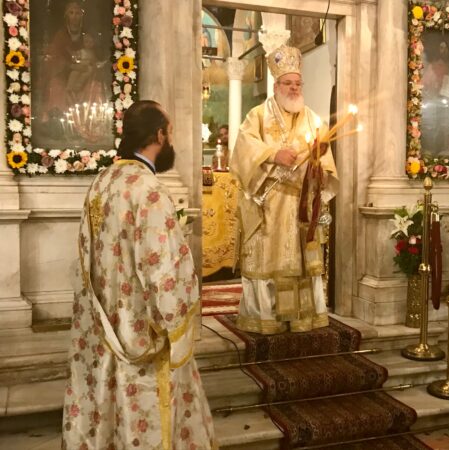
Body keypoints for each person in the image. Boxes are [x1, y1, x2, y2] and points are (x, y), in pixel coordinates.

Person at [63, 100, 216, 449]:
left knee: (110, 403)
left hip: (105, 324)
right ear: (159, 135)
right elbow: (164, 269)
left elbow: (85, 253)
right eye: (170, 133)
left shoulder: (103, 181)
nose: (171, 140)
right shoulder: (147, 189)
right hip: (141, 329)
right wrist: (176, 322)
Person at [230, 45, 338, 334]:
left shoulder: (313, 119)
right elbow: (243, 151)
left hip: (301, 206)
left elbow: (325, 162)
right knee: (268, 260)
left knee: (301, 262)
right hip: (269, 205)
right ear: (276, 86)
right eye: (288, 83)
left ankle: (303, 316)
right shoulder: (257, 116)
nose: (293, 88)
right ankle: (267, 318)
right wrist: (273, 155)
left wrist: (318, 169)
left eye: (297, 84)